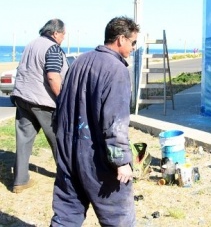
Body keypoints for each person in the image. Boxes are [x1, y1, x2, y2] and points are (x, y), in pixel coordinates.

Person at [51, 16, 140, 226]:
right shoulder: (117, 69)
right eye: (133, 42)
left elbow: (61, 106)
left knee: (65, 216)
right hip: (97, 159)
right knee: (118, 218)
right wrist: (121, 162)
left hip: (68, 153)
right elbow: (115, 122)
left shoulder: (80, 61)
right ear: (120, 39)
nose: (134, 48)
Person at [11, 18, 68, 194]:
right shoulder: (52, 47)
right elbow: (53, 76)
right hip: (43, 102)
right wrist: (62, 100)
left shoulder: (32, 43)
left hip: (22, 97)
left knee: (23, 140)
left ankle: (20, 181)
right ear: (56, 33)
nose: (63, 38)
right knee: (59, 140)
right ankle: (67, 179)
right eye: (64, 34)